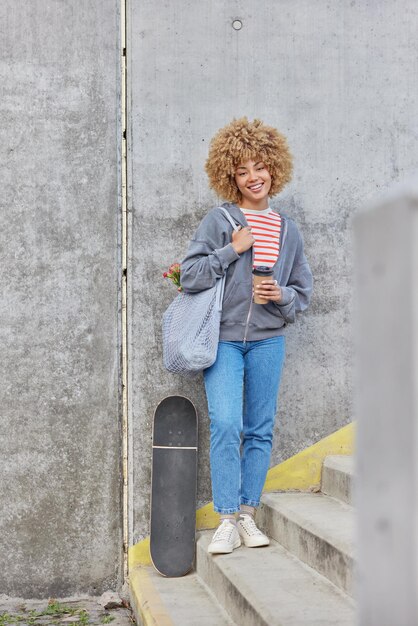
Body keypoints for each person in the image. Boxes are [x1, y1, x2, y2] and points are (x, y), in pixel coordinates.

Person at [180, 117, 313, 554]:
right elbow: (191, 276)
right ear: (230, 176)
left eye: (260, 167)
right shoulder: (220, 220)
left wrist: (282, 295)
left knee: (258, 430)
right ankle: (225, 518)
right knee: (226, 424)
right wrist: (232, 248)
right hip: (222, 341)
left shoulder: (288, 228)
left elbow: (302, 293)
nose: (253, 177)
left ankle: (248, 515)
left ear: (274, 168)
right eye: (242, 171)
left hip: (268, 340)